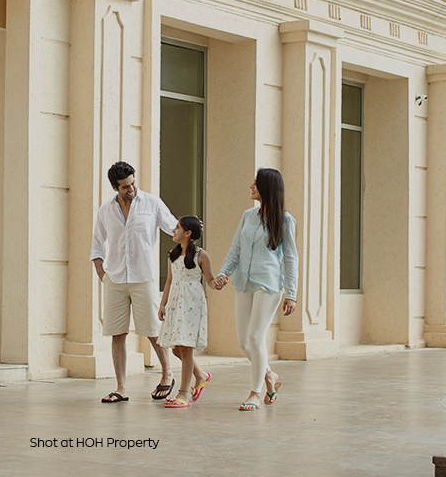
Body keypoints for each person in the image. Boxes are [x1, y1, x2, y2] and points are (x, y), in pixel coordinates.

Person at [90, 161, 179, 403]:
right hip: (115, 279)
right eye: (125, 187)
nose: (131, 189)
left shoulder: (151, 203)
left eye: (132, 183)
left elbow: (174, 228)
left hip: (143, 277)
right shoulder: (105, 211)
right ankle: (121, 388)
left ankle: (168, 374)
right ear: (114, 187)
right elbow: (97, 244)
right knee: (117, 334)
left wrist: (190, 229)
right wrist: (102, 273)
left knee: (151, 330)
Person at [211, 168, 298, 411]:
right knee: (243, 341)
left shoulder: (285, 220)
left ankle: (255, 393)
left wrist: (292, 294)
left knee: (256, 337)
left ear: (268, 188)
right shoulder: (247, 216)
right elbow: (235, 250)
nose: (251, 186)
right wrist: (222, 273)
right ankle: (269, 376)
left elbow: (291, 259)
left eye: (256, 183)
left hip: (268, 285)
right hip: (244, 282)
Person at [156, 216, 213, 409]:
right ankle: (201, 375)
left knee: (186, 348)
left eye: (178, 227)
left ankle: (184, 393)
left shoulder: (201, 255)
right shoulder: (172, 255)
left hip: (192, 303)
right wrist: (162, 304)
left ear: (188, 233)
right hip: (175, 303)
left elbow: (211, 280)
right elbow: (169, 281)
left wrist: (218, 283)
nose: (173, 230)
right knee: (176, 349)